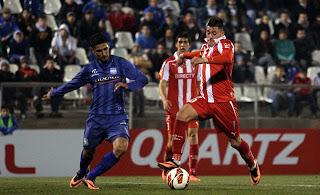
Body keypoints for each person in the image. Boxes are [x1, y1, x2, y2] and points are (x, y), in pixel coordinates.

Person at [157, 16, 261, 185]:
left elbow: (226, 58)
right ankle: (176, 160)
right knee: (182, 115)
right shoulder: (206, 47)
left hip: (223, 102)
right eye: (208, 31)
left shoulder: (226, 44)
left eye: (213, 32)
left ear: (221, 32)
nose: (210, 35)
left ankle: (252, 163)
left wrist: (206, 59)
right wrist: (185, 56)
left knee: (235, 142)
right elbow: (199, 53)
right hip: (205, 99)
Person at [42, 33, 148, 190]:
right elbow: (72, 84)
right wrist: (54, 93)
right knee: (88, 152)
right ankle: (82, 172)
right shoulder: (89, 69)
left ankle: (91, 177)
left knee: (121, 147)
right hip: (96, 118)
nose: (104, 53)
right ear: (93, 51)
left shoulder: (121, 63)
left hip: (116, 116)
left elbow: (143, 79)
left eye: (106, 49)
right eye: (100, 51)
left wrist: (128, 86)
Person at [159, 32, 201, 182]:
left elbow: (199, 82)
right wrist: (164, 99)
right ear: (176, 44)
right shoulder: (169, 63)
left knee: (193, 135)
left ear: (189, 45)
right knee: (171, 141)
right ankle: (167, 170)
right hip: (174, 109)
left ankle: (193, 172)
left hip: (192, 108)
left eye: (185, 42)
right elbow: (162, 83)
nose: (182, 45)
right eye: (180, 42)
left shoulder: (195, 62)